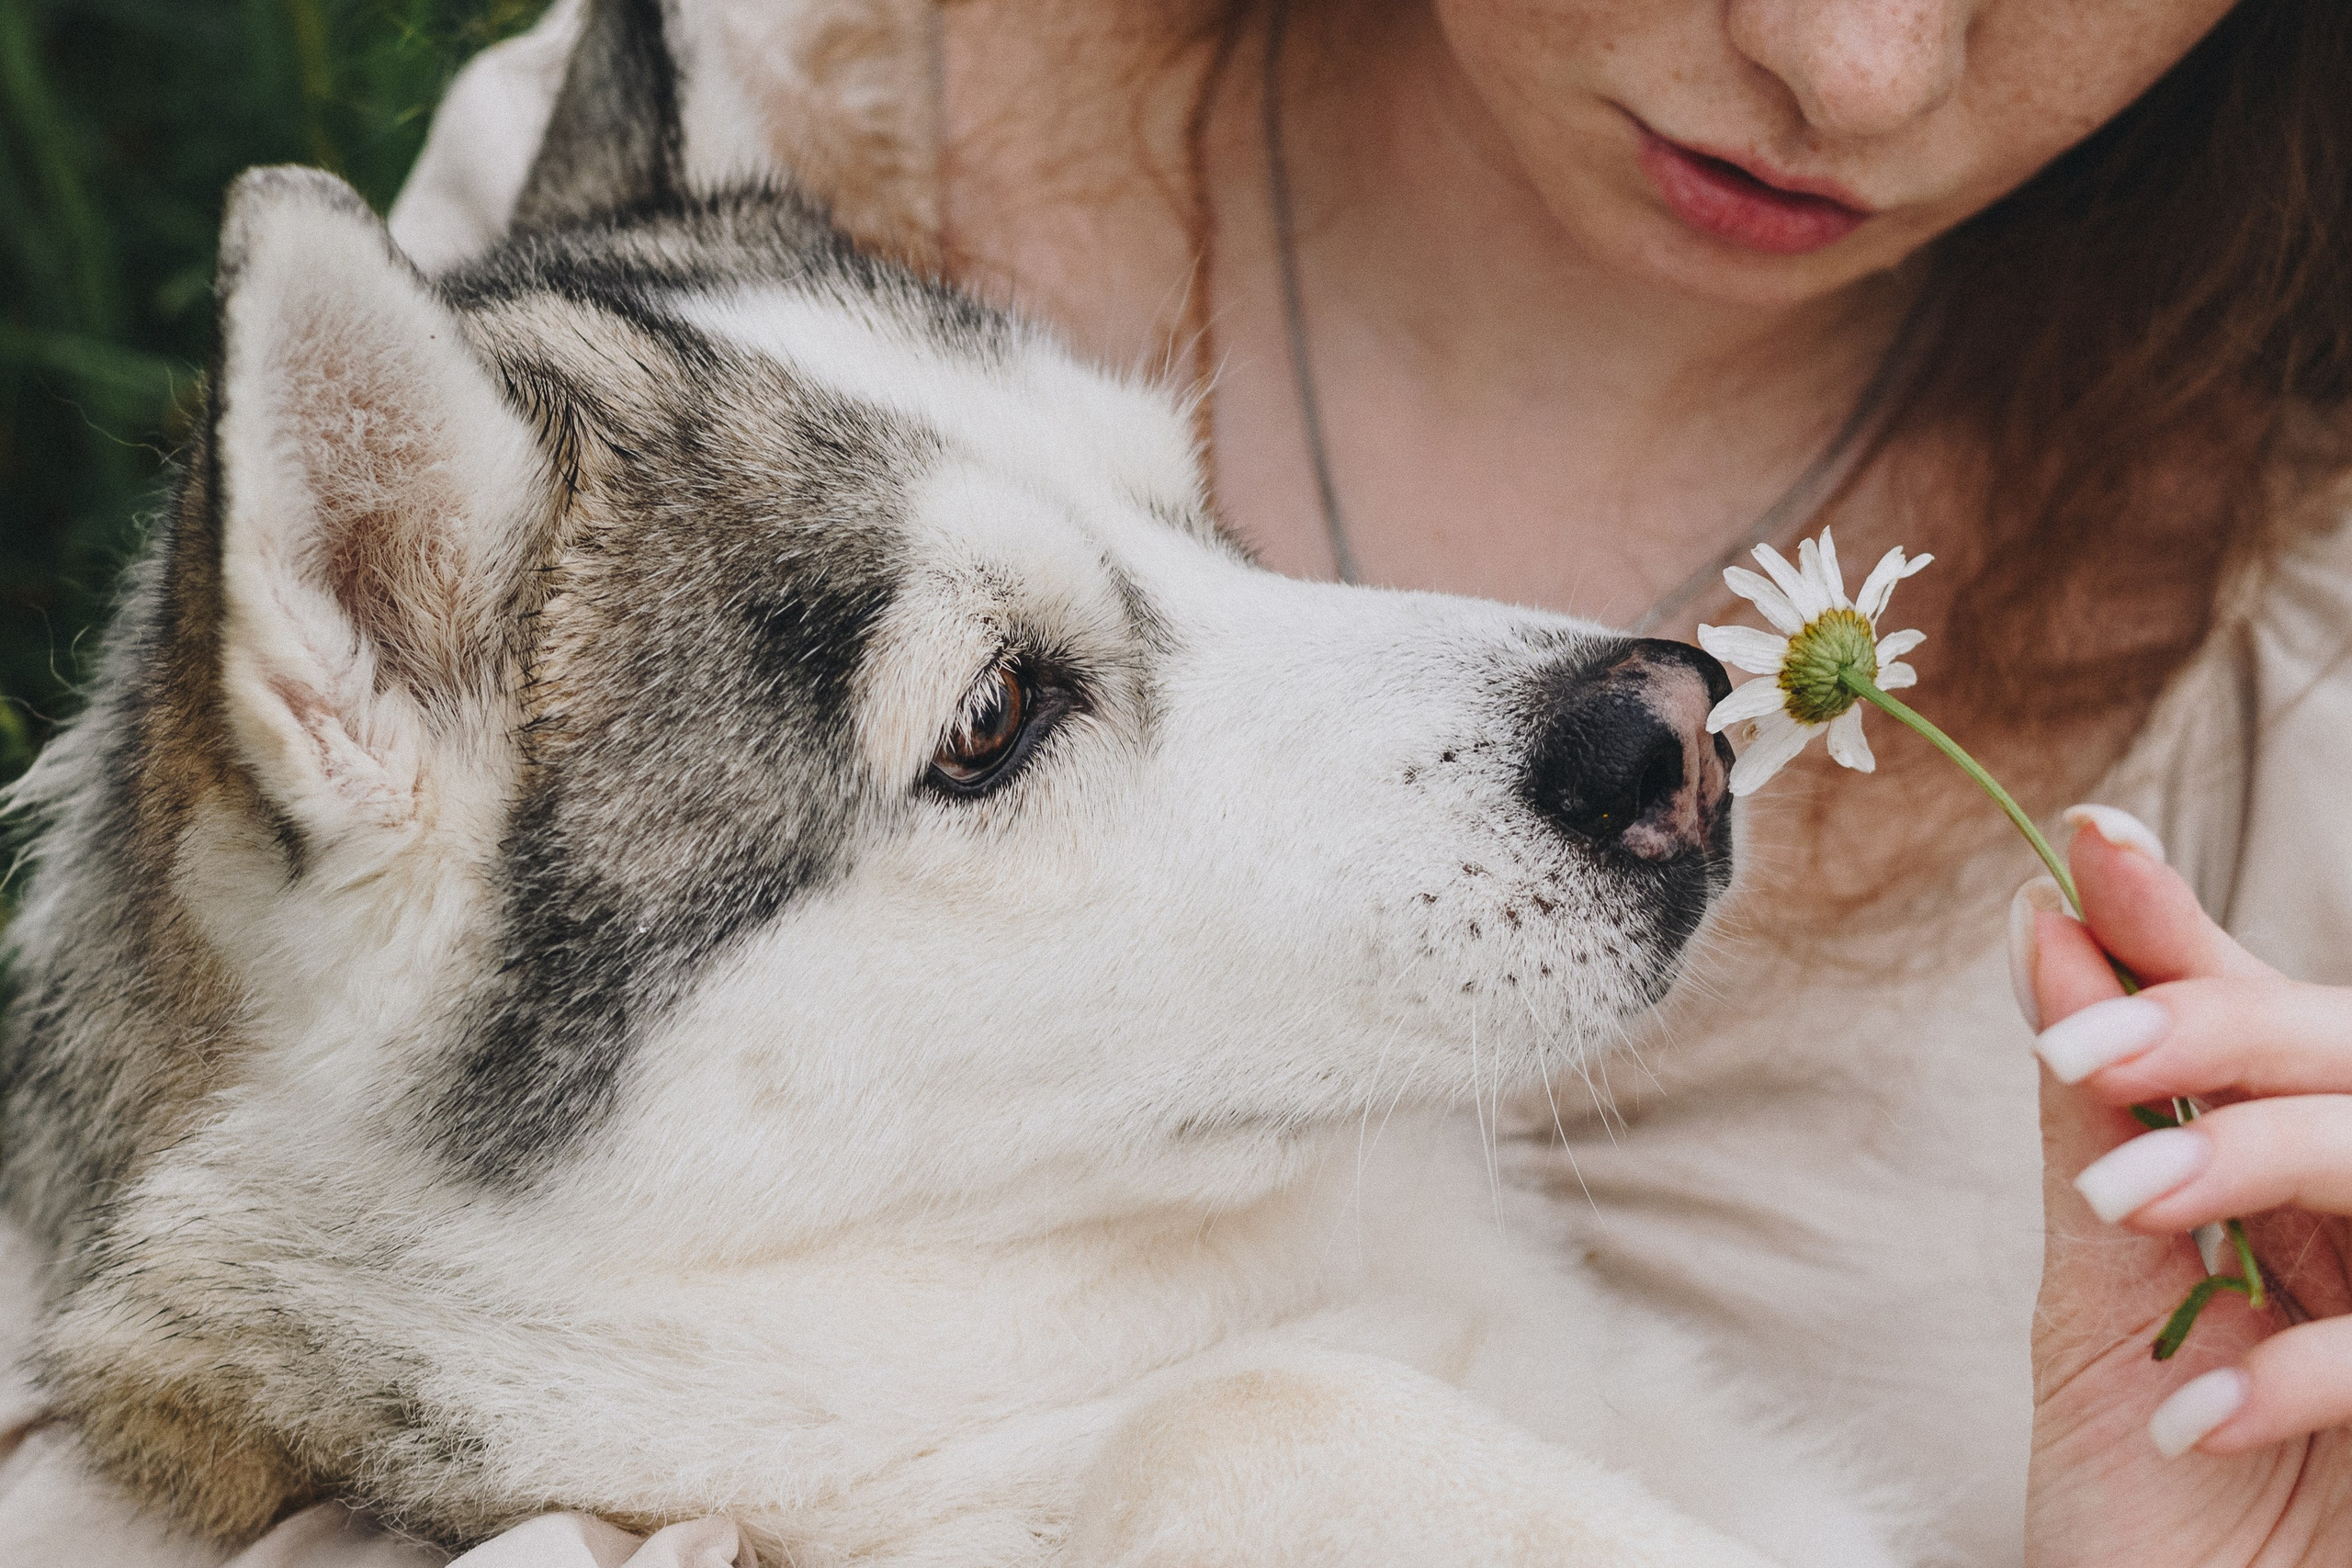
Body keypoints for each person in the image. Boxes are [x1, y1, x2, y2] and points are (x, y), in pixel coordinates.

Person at [1, 0, 2346, 1562]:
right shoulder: (725, 155)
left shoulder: (2299, 623)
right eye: (996, 722)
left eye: (1182, 525)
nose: (1845, 53)